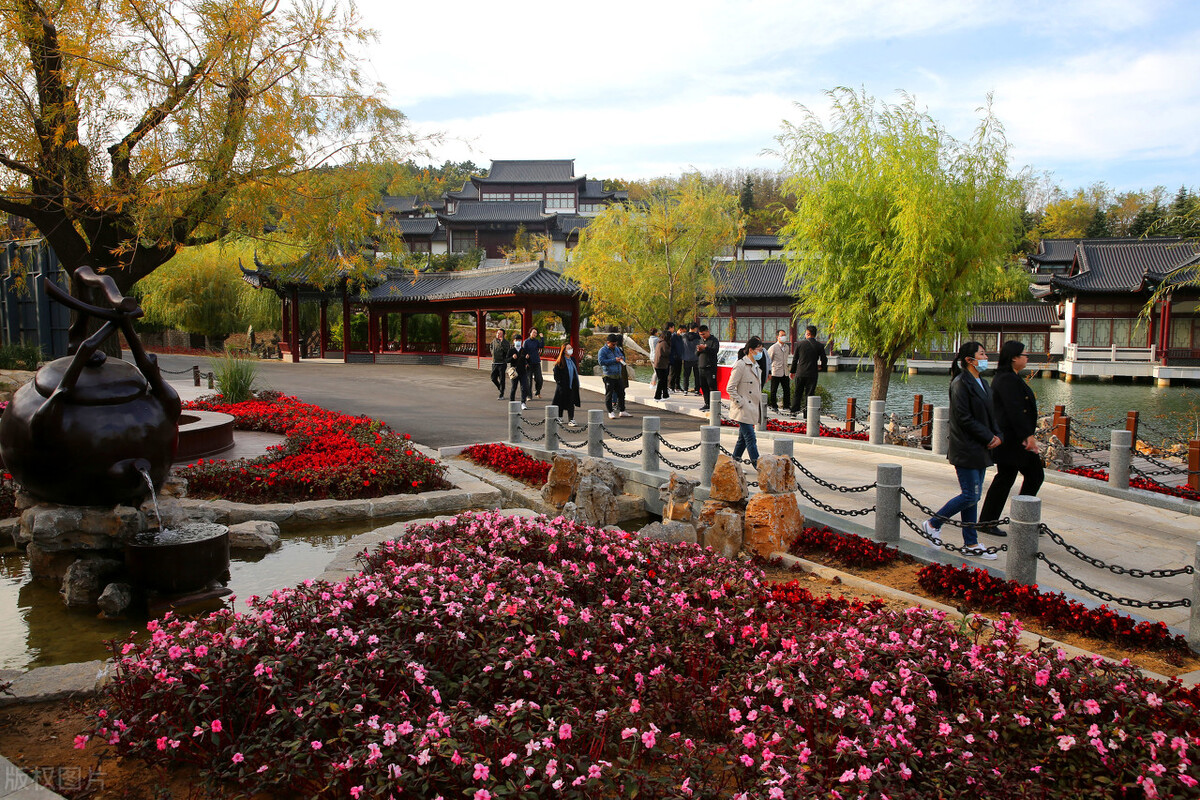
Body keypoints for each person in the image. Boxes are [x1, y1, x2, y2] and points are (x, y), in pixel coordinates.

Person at [922, 341, 1002, 560]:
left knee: (973, 497)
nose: (986, 357)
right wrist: (988, 437)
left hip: (982, 448)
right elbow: (963, 418)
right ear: (969, 360)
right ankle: (933, 523)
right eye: (982, 354)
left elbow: (990, 414)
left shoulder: (983, 383)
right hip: (966, 447)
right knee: (970, 494)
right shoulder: (960, 383)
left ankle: (971, 542)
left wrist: (998, 436)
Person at [978, 340, 1044, 536]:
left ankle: (1020, 518)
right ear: (1014, 357)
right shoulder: (1006, 379)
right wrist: (1028, 436)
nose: (1026, 358)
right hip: (1012, 440)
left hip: (1016, 439)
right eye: (1024, 355)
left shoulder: (1011, 377)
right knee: (1011, 477)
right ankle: (992, 521)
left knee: (1026, 476)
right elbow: (1015, 411)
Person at [727, 335, 764, 469]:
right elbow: (730, 387)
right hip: (743, 409)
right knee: (751, 439)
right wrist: (740, 402)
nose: (760, 352)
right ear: (750, 350)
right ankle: (759, 467)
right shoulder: (741, 365)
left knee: (742, 440)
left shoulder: (755, 366)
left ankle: (733, 465)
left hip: (752, 408)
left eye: (761, 350)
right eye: (758, 350)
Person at [789, 325, 828, 416]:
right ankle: (807, 414)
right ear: (815, 334)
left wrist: (792, 371)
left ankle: (794, 412)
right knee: (809, 394)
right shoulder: (819, 345)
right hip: (812, 373)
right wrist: (822, 367)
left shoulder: (800, 344)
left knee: (797, 393)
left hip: (800, 372)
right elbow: (824, 359)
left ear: (808, 334)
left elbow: (795, 359)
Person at [598, 333, 631, 419]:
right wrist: (614, 360)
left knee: (621, 393)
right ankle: (610, 411)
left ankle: (622, 410)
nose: (614, 345)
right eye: (613, 344)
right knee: (609, 394)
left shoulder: (617, 349)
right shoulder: (603, 350)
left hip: (618, 374)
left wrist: (621, 358)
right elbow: (601, 362)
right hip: (608, 375)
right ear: (608, 342)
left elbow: (622, 356)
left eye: (615, 343)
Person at [551, 343, 582, 425]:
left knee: (571, 403)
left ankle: (571, 419)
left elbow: (575, 372)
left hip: (572, 386)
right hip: (563, 386)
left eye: (571, 348)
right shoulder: (560, 361)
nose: (570, 350)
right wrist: (559, 382)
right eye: (568, 348)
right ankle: (559, 417)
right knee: (561, 402)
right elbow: (556, 372)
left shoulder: (573, 360)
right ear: (564, 350)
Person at [766, 329, 791, 413]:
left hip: (785, 371)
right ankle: (774, 406)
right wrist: (769, 372)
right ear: (777, 337)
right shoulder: (773, 347)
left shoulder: (787, 347)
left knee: (786, 390)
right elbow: (769, 360)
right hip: (775, 371)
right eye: (782, 335)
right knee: (774, 390)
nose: (784, 337)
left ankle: (786, 406)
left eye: (785, 335)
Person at [696, 325, 720, 411]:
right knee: (704, 386)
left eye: (704, 334)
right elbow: (696, 354)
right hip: (701, 366)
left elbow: (715, 351)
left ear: (708, 331)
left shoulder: (714, 340)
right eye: (701, 334)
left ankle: (715, 404)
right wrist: (699, 350)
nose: (702, 336)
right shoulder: (700, 341)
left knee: (712, 385)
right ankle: (707, 403)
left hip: (710, 367)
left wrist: (705, 348)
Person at [508, 332, 531, 409]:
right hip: (514, 372)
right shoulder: (511, 350)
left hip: (523, 372)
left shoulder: (524, 350)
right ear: (514, 341)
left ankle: (523, 402)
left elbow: (528, 360)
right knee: (514, 387)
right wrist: (512, 357)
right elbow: (506, 360)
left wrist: (528, 358)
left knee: (524, 387)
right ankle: (512, 402)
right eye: (516, 340)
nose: (518, 341)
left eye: (519, 340)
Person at [489, 328, 510, 399]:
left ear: (503, 335)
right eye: (498, 333)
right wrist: (492, 353)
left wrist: (502, 342)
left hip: (502, 363)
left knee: (502, 379)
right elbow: (491, 347)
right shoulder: (494, 341)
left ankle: (501, 393)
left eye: (500, 333)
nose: (498, 334)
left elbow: (507, 350)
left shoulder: (506, 342)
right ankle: (499, 387)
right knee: (493, 378)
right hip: (494, 362)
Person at [681, 323, 701, 395]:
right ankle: (697, 390)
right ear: (695, 328)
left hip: (686, 358)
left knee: (686, 375)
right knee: (697, 375)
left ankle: (685, 390)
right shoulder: (698, 337)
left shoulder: (684, 336)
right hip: (696, 358)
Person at [525, 328, 544, 399]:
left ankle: (537, 391)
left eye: (536, 333)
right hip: (529, 363)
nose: (534, 334)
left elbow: (541, 346)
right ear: (530, 333)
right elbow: (523, 352)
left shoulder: (536, 341)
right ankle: (529, 395)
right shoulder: (526, 342)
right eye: (533, 332)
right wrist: (526, 361)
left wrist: (542, 338)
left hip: (536, 362)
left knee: (539, 379)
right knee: (529, 381)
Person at [652, 329, 671, 400]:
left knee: (664, 380)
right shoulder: (664, 343)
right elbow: (667, 353)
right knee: (661, 380)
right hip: (661, 365)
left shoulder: (659, 342)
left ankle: (665, 395)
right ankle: (657, 396)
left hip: (658, 364)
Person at [668, 323, 685, 392]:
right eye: (683, 331)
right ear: (680, 330)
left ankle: (677, 386)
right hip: (673, 357)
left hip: (679, 357)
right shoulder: (673, 336)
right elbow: (671, 347)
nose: (683, 333)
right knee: (672, 373)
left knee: (678, 373)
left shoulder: (680, 337)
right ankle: (670, 386)